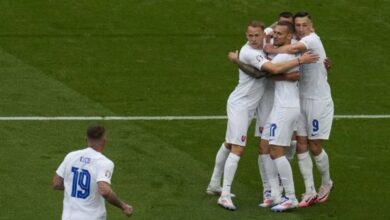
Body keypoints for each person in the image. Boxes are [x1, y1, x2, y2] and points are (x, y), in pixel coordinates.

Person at [207, 20, 319, 211]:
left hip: (259, 104)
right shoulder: (250, 52)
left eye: (257, 35)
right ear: (245, 36)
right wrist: (237, 60)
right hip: (241, 105)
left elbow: (277, 26)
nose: (254, 39)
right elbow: (263, 73)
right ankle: (224, 195)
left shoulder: (268, 39)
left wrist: (287, 26)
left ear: (264, 34)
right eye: (250, 36)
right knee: (238, 147)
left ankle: (218, 185)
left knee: (237, 143)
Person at [264, 11, 334, 208]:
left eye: (305, 25)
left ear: (312, 26)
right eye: (298, 25)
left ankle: (326, 183)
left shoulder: (311, 39)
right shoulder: (295, 37)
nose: (301, 29)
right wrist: (270, 31)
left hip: (318, 100)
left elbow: (293, 48)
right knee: (302, 143)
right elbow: (282, 32)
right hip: (300, 99)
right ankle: (309, 190)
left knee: (314, 146)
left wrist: (270, 47)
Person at [52, 125, 133, 219]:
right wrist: (123, 206)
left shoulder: (71, 156)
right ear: (104, 141)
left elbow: (56, 183)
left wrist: (74, 186)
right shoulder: (104, 162)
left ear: (86, 139)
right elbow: (105, 191)